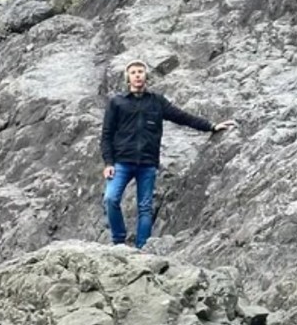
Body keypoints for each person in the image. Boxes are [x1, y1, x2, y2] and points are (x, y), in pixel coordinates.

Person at [101, 60, 235, 248]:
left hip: (147, 163)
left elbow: (182, 117)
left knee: (145, 209)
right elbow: (106, 135)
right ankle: (118, 242)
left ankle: (142, 249)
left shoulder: (157, 102)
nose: (137, 75)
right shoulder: (117, 102)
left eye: (141, 72)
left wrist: (211, 126)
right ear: (128, 78)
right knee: (110, 199)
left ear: (146, 76)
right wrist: (108, 163)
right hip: (122, 161)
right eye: (133, 72)